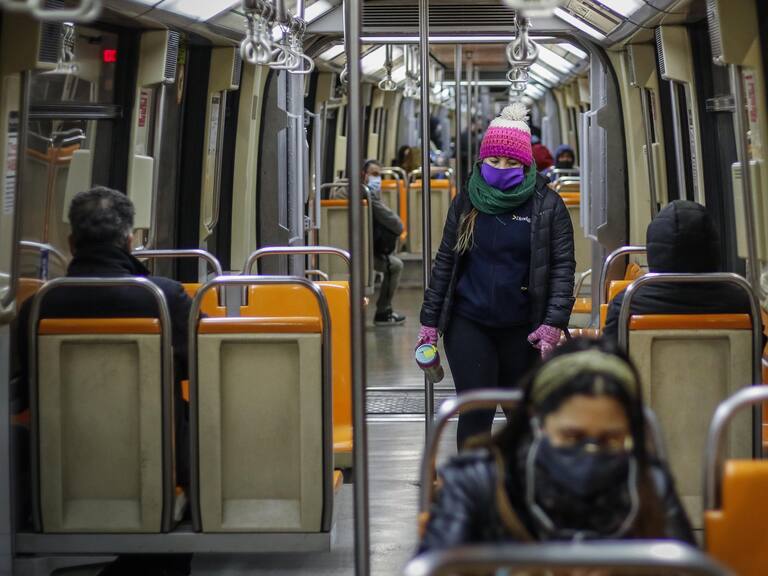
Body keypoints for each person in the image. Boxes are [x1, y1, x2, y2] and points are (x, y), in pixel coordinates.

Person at [13, 187, 194, 574]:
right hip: (157, 462)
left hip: (60, 464)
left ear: (71, 242)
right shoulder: (163, 299)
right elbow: (202, 368)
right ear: (130, 240)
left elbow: (23, 389)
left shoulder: (38, 307)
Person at [418, 338, 695, 551]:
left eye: (609, 440)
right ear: (537, 423)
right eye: (571, 437)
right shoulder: (477, 485)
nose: (589, 453)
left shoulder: (648, 486)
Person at [418, 103, 575, 449]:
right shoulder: (467, 203)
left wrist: (553, 323)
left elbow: (563, 270)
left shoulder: (548, 207)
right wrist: (429, 324)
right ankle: (475, 492)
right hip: (469, 322)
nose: (501, 168)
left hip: (525, 327)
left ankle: (520, 494)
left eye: (511, 162)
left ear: (525, 164)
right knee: (475, 412)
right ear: (481, 161)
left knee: (525, 419)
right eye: (494, 161)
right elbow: (445, 263)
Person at [603, 200, 756, 341]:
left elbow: (610, 358)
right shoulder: (742, 302)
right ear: (712, 248)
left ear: (654, 250)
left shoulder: (627, 304)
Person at [331, 161, 407, 325]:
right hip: (358, 253)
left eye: (379, 175)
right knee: (395, 266)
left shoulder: (344, 190)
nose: (376, 179)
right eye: (373, 174)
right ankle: (383, 311)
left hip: (347, 249)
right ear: (362, 175)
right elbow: (397, 225)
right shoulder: (364, 193)